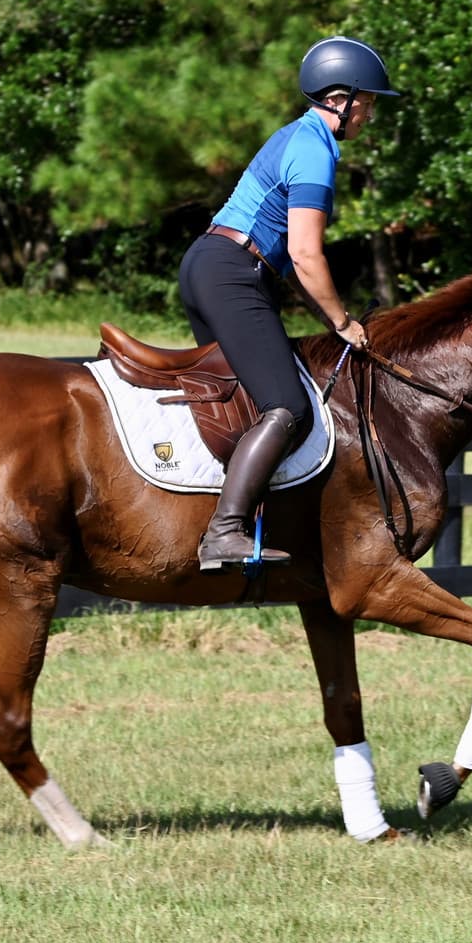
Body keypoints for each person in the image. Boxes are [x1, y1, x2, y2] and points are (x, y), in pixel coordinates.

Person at [177, 36, 397, 570]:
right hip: (233, 273)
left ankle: (231, 517)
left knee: (246, 403)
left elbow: (292, 260)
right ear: (339, 99)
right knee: (289, 406)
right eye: (367, 101)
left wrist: (327, 313)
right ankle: (224, 531)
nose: (370, 112)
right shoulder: (314, 148)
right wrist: (342, 321)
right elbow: (304, 252)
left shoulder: (295, 137)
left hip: (209, 264)